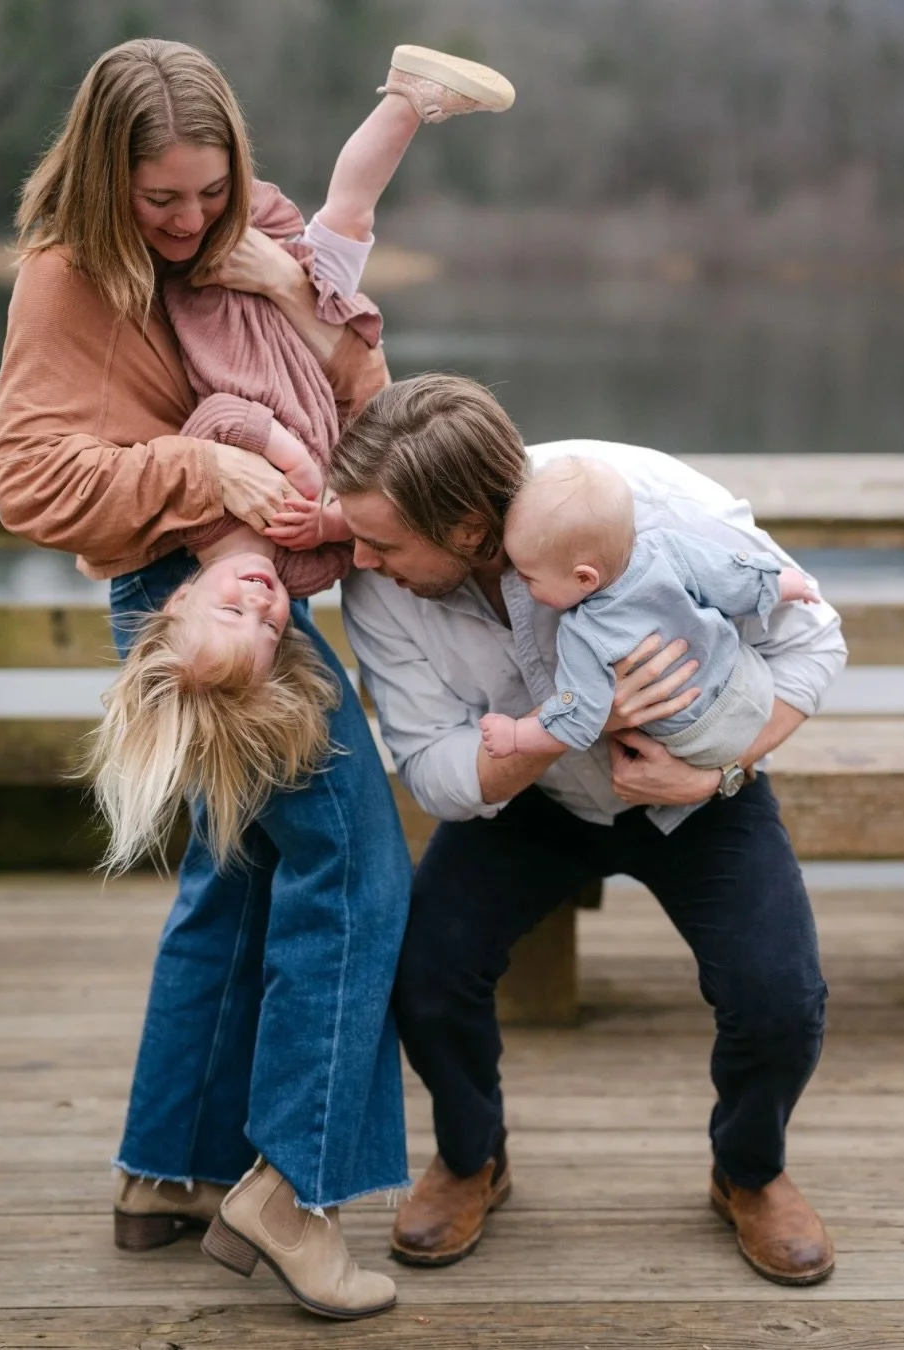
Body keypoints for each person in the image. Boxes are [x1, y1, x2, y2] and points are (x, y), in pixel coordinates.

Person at [0, 37, 510, 1321]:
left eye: (206, 193)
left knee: (249, 867)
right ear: (105, 177)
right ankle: (293, 1192)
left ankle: (167, 1171)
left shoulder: (256, 226)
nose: (186, 221)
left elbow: (363, 406)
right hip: (193, 604)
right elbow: (28, 480)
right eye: (157, 200)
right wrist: (196, 470)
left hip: (264, 581)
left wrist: (285, 281)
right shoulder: (66, 275)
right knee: (354, 858)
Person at [330, 373, 846, 1286]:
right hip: (529, 803)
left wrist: (716, 770)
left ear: (464, 529)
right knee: (426, 974)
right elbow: (437, 771)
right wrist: (575, 729)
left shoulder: (640, 500)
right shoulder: (381, 591)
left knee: (781, 1001)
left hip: (695, 792)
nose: (361, 561)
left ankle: (749, 1170)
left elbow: (811, 641)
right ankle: (471, 1154)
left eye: (381, 541)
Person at [86, 45, 515, 873]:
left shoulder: (203, 514)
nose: (260, 605)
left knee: (334, 217)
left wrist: (284, 452)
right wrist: (325, 512)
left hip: (241, 323)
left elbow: (216, 415)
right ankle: (409, 102)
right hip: (315, 358)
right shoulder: (307, 580)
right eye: (266, 629)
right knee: (351, 213)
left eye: (229, 613)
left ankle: (402, 93)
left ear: (172, 604)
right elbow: (354, 527)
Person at [479, 455, 819, 772]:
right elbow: (730, 579)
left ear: (584, 577)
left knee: (629, 748)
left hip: (699, 740)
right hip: (752, 681)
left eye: (528, 577)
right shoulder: (665, 549)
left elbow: (578, 718)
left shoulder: (582, 633)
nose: (522, 586)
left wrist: (517, 734)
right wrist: (781, 583)